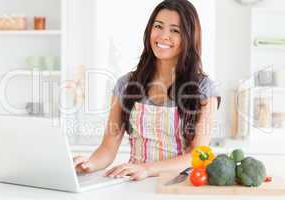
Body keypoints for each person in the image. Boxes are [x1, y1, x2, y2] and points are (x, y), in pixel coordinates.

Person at [73, 0, 221, 181]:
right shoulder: (126, 84)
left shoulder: (204, 88)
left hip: (180, 185)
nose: (164, 36)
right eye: (158, 26)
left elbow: (196, 155)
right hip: (133, 184)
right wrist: (89, 164)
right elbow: (108, 148)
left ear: (189, 37)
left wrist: (147, 169)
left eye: (175, 30)